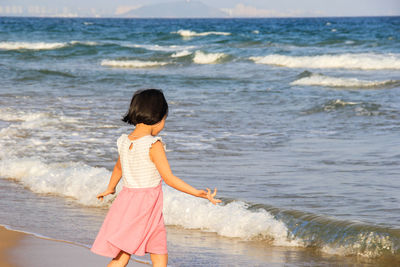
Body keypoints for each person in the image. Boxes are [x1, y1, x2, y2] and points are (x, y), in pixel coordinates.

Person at [90, 89, 221, 267]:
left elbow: (119, 167)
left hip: (129, 202)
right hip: (144, 206)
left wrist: (111, 188)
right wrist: (197, 193)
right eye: (165, 119)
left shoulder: (125, 140)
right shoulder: (153, 144)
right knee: (124, 254)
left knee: (158, 248)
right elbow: (169, 178)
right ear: (158, 117)